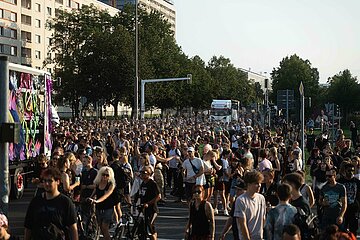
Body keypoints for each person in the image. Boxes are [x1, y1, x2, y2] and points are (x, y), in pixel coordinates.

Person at [24, 167, 78, 240]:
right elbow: (28, 226)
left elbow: (73, 228)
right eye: (44, 180)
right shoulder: (36, 202)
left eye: (50, 181)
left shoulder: (65, 202)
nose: (46, 184)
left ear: (58, 182)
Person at [234, 171, 266, 240]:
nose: (259, 185)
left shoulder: (261, 198)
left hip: (259, 237)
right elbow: (242, 223)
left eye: (260, 183)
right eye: (256, 183)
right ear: (248, 184)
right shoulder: (241, 200)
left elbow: (263, 218)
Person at [88, 166, 116, 240]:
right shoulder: (98, 183)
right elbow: (94, 192)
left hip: (108, 207)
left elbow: (106, 195)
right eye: (103, 174)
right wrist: (90, 198)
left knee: (104, 227)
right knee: (100, 226)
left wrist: (97, 201)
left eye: (107, 175)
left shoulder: (111, 185)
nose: (105, 176)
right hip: (99, 207)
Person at [319, 167, 347, 232]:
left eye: (329, 176)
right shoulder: (324, 188)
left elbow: (344, 203)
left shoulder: (341, 187)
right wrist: (323, 203)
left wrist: (341, 216)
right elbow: (319, 201)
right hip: (327, 216)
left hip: (337, 215)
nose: (327, 178)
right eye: (326, 176)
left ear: (334, 176)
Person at [335, 162, 359, 235]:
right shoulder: (340, 182)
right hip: (342, 209)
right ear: (345, 171)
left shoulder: (357, 182)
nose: (351, 172)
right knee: (342, 229)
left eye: (352, 170)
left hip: (353, 208)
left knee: (353, 229)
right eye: (349, 170)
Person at [137, 166, 161, 240]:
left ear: (149, 174)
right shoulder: (142, 184)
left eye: (144, 172)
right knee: (141, 228)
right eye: (141, 172)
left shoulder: (152, 184)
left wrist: (148, 203)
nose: (142, 174)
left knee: (150, 226)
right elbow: (139, 195)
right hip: (143, 210)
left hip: (152, 210)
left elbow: (159, 196)